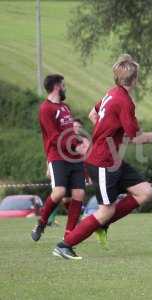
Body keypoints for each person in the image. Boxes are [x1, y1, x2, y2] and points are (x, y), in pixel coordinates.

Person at [52, 54, 152, 260]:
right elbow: (136, 138)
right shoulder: (125, 102)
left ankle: (103, 224)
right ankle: (65, 245)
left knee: (146, 192)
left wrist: (106, 132)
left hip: (112, 159)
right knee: (105, 210)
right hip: (102, 161)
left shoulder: (111, 93)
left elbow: (93, 114)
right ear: (135, 80)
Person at [31, 74, 86, 241]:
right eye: (63, 85)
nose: (65, 88)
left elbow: (70, 132)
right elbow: (55, 137)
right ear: (56, 86)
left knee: (78, 194)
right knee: (60, 192)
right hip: (58, 157)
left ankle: (69, 238)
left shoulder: (65, 108)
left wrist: (80, 143)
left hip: (74, 157)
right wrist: (75, 145)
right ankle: (41, 223)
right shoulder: (46, 109)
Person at [46, 118, 90, 227]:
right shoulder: (64, 139)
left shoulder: (85, 141)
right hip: (64, 171)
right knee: (63, 197)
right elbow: (53, 153)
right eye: (74, 126)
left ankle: (75, 222)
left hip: (79, 171)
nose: (76, 128)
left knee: (74, 197)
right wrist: (49, 168)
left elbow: (89, 156)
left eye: (79, 127)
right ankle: (51, 220)